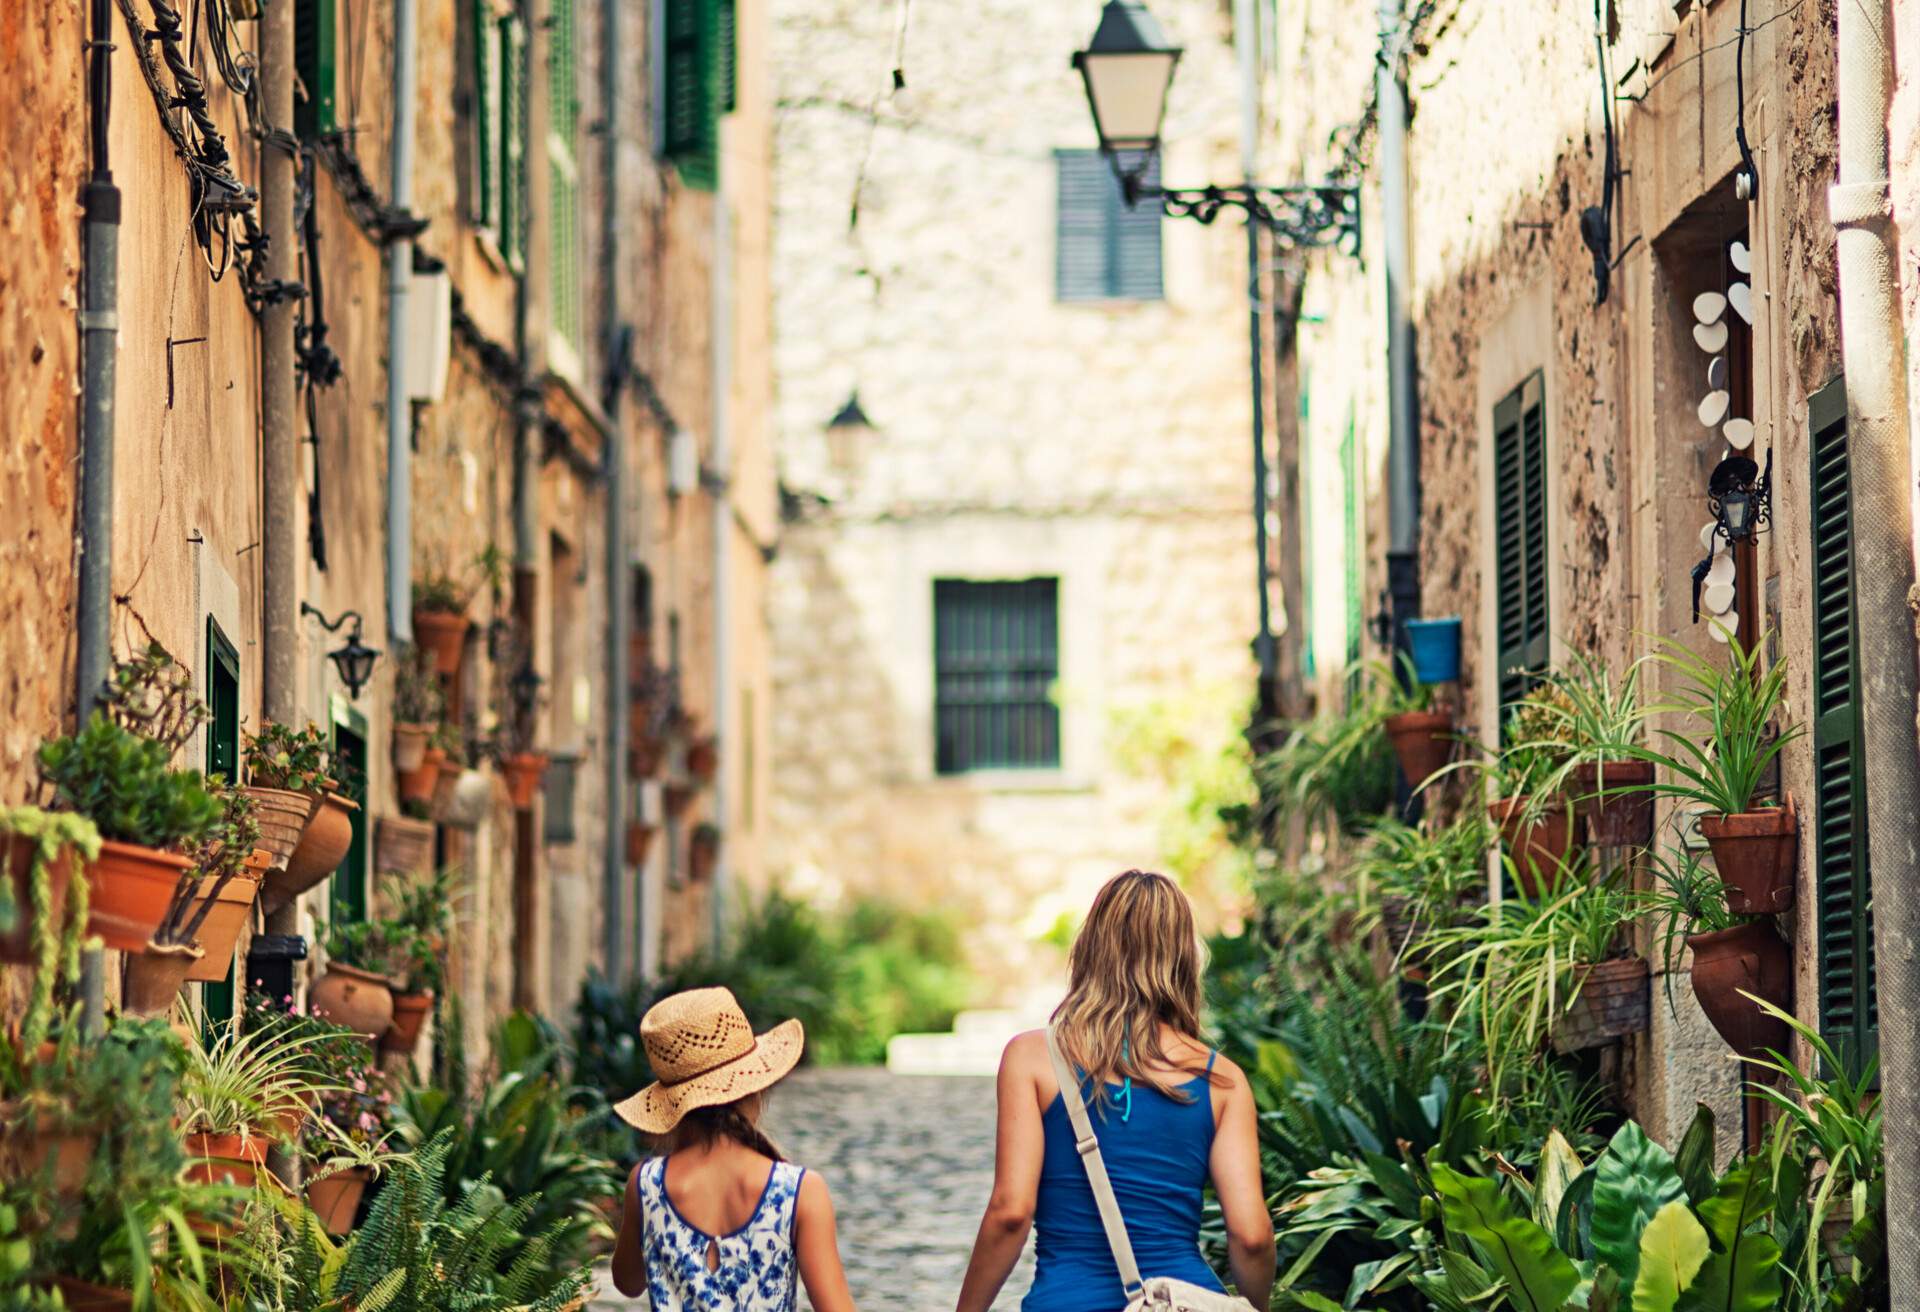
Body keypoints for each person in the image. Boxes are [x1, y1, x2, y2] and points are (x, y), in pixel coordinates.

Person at [955, 870, 1276, 1312]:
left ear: (1090, 947)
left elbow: (1011, 1212)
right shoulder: (1222, 1081)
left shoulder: (1031, 1059)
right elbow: (1252, 1237)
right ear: (1184, 958)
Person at [609, 986, 859, 1311]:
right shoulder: (798, 1190)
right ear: (754, 1087)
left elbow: (628, 1282)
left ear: (673, 1105)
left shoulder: (646, 1185)